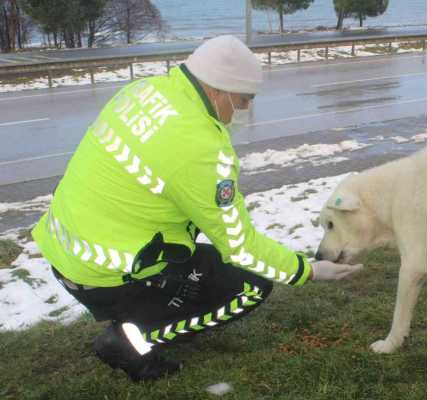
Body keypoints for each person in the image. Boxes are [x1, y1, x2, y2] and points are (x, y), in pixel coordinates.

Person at [31, 35, 362, 382]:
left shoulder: (144, 91)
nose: (247, 108)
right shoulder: (200, 149)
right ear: (219, 89)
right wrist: (304, 271)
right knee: (253, 285)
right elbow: (240, 246)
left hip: (68, 248)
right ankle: (129, 342)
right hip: (107, 272)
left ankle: (145, 314)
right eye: (245, 98)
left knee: (205, 266)